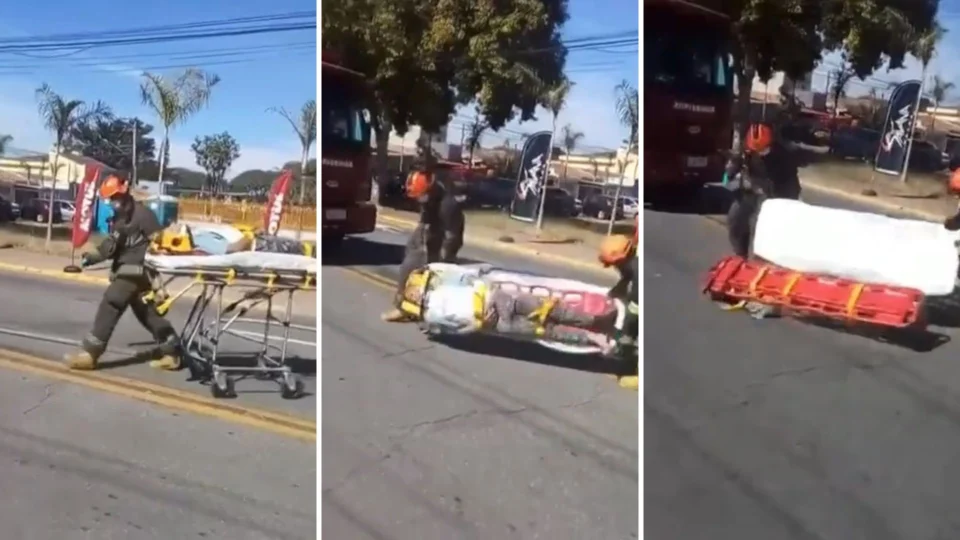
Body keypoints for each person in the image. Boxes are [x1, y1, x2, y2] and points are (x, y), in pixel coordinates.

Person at [64, 175, 181, 371]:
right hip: (134, 273)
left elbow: (158, 242)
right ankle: (172, 352)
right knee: (148, 314)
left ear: (125, 191)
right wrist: (91, 257)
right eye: (111, 199)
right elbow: (111, 246)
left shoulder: (143, 215)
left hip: (135, 271)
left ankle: (90, 353)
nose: (113, 202)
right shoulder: (123, 218)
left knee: (111, 303)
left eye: (115, 197)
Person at [382, 169, 465, 322]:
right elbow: (425, 217)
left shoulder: (448, 205)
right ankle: (414, 301)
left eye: (421, 197)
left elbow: (452, 236)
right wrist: (420, 234)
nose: (419, 201)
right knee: (411, 247)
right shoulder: (430, 194)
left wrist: (443, 259)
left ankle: (403, 308)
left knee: (410, 265)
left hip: (445, 233)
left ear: (430, 190)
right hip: (430, 225)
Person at [725, 123, 803, 257]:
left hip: (776, 192)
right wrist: (732, 178)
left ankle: (762, 257)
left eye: (762, 150)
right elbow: (731, 170)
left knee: (762, 225)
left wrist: (779, 201)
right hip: (751, 189)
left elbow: (789, 185)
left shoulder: (784, 156)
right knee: (736, 217)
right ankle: (739, 254)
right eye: (755, 150)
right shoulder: (744, 150)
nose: (759, 153)